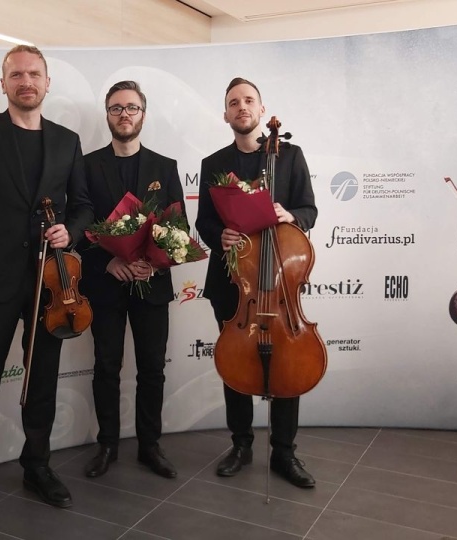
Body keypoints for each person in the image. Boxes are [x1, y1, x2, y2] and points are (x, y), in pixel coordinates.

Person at [0, 45, 94, 526]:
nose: (26, 82)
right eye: (17, 75)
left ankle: (37, 465)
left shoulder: (68, 141)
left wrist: (70, 230)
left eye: (34, 74)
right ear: (3, 83)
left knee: (42, 378)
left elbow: (85, 207)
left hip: (50, 284)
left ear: (48, 84)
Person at [194, 77, 319, 488]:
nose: (241, 107)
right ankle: (241, 444)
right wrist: (220, 236)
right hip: (234, 282)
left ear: (262, 111)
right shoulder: (213, 163)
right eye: (234, 102)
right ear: (226, 114)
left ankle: (284, 453)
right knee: (237, 362)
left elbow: (310, 210)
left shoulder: (291, 155)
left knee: (288, 362)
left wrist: (290, 216)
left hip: (280, 282)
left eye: (249, 100)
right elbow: (205, 222)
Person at [78, 81, 184, 480]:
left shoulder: (165, 166)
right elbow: (80, 225)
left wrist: (152, 265)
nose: (124, 115)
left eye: (132, 108)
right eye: (116, 108)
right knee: (105, 365)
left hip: (152, 283)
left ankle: (149, 445)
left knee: (152, 368)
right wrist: (108, 263)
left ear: (143, 113)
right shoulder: (87, 166)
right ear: (107, 115)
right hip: (105, 284)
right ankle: (107, 444)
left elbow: (177, 228)